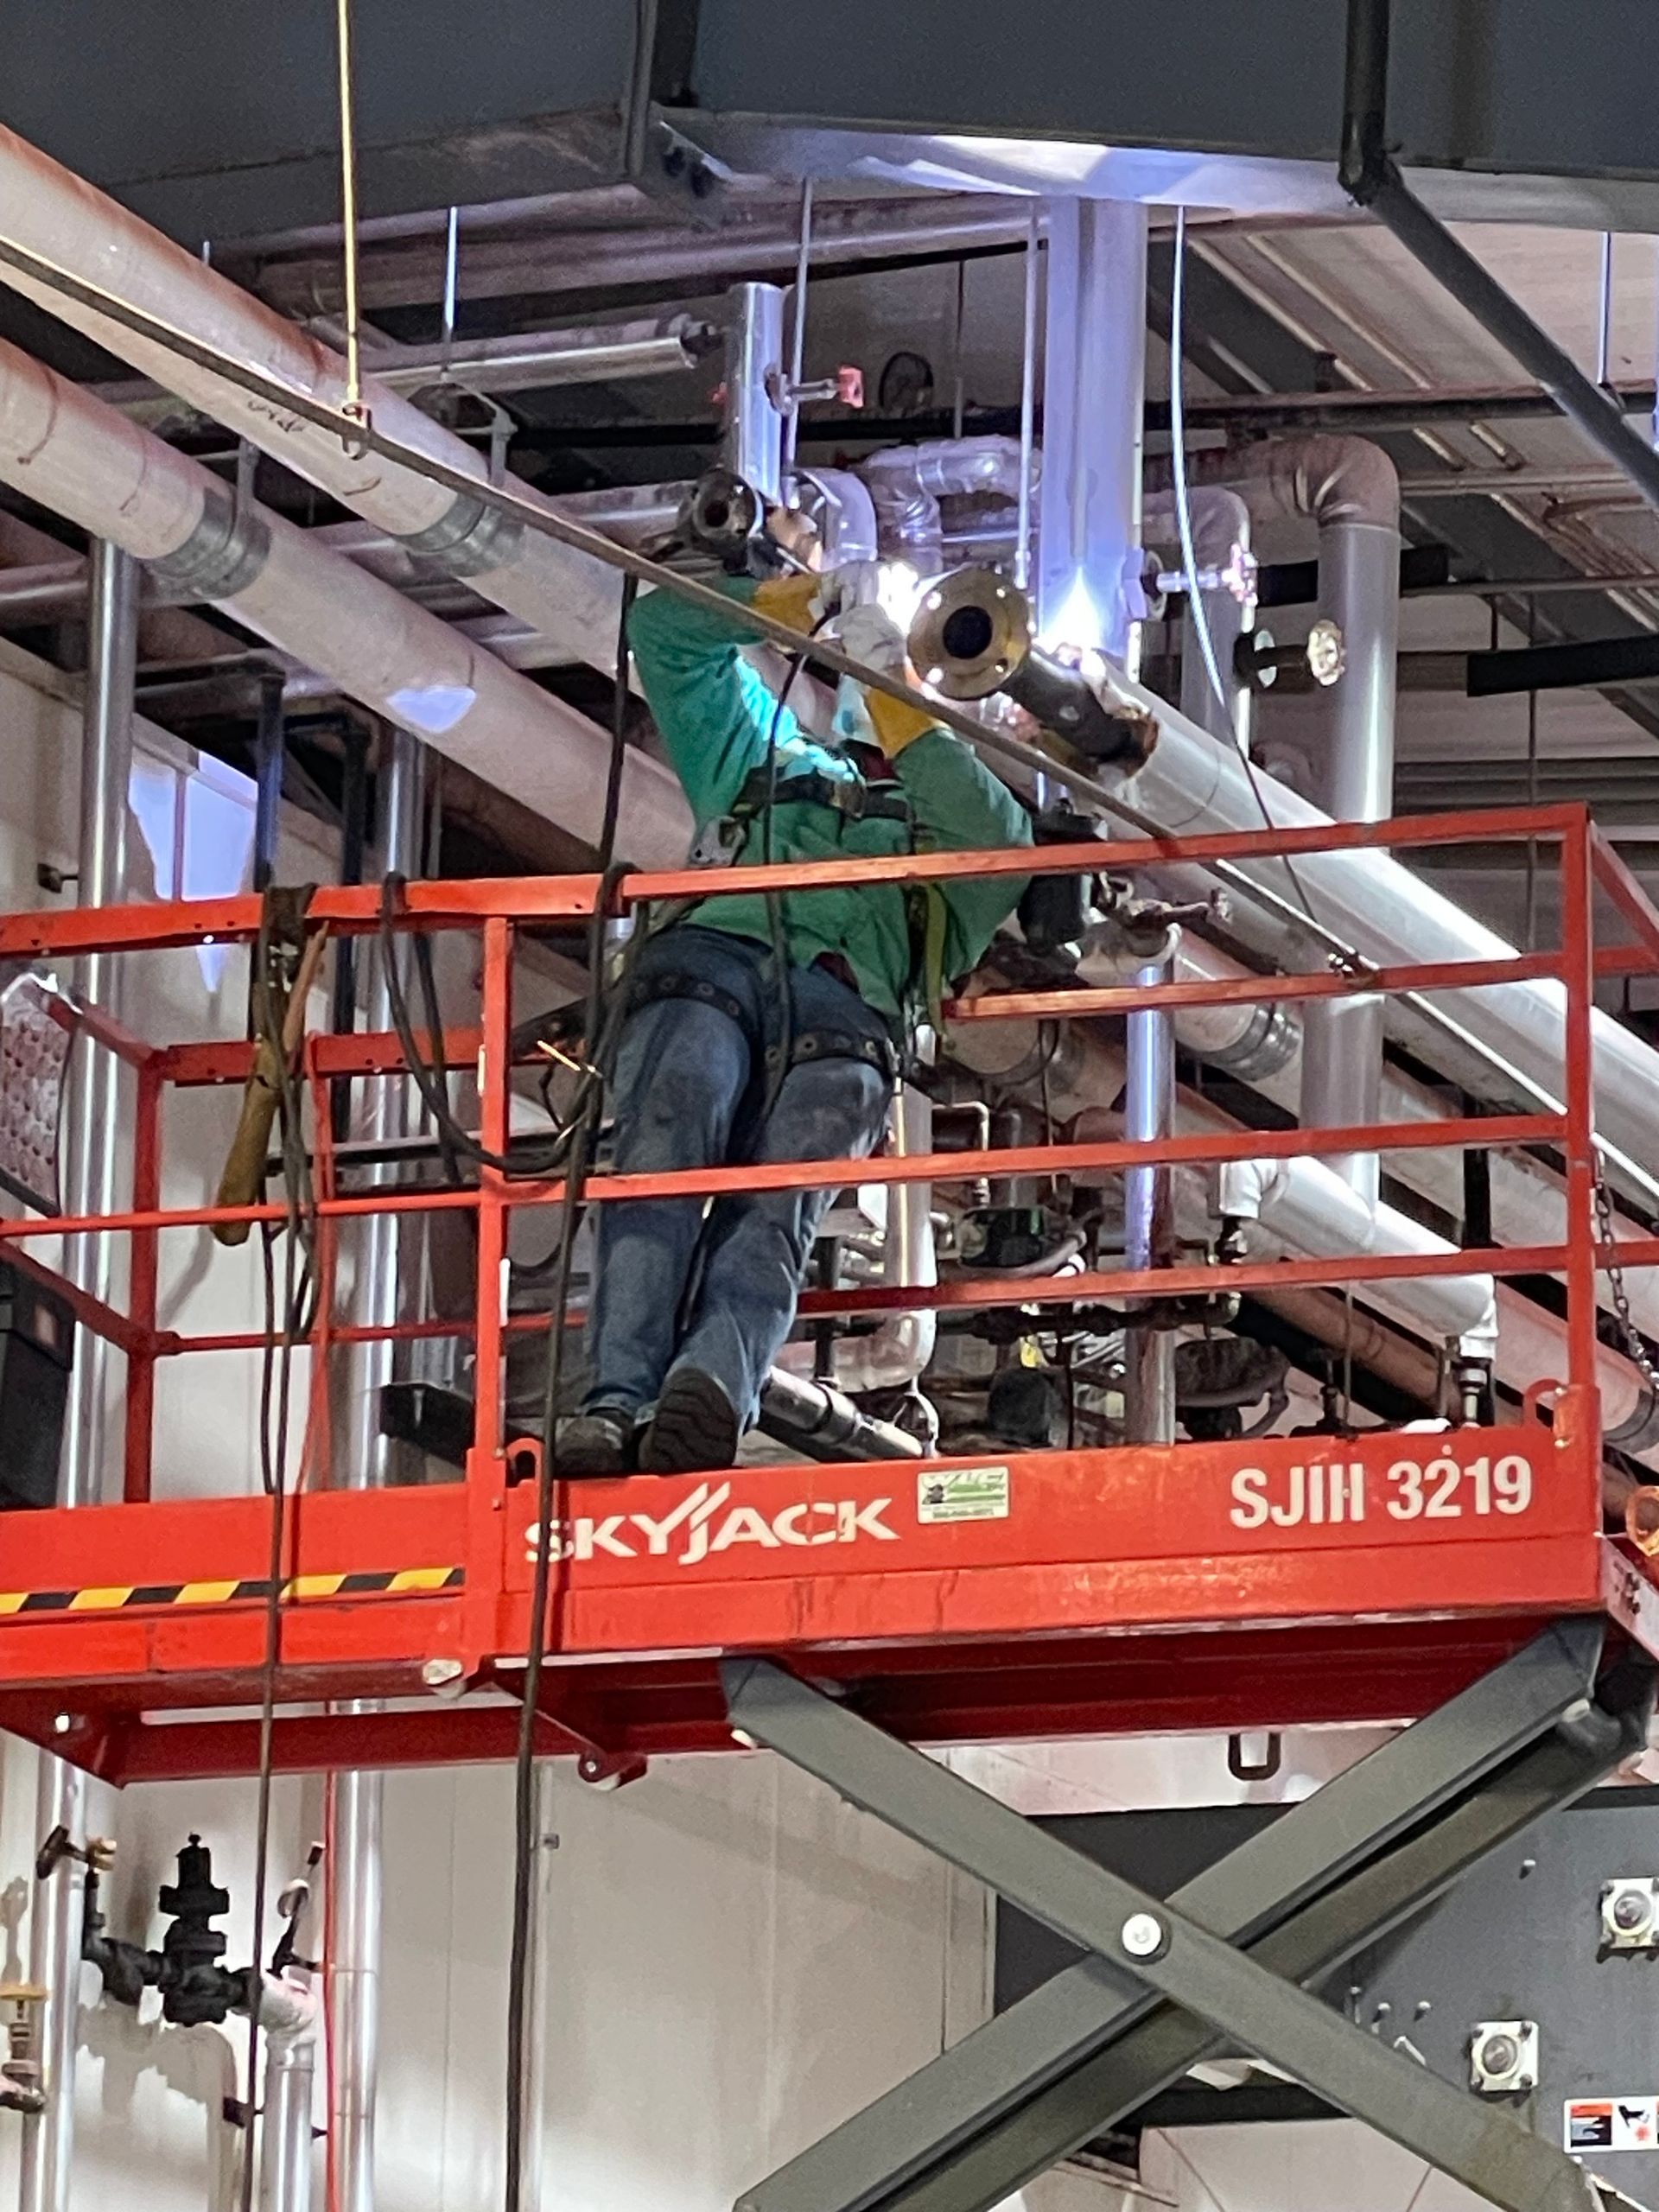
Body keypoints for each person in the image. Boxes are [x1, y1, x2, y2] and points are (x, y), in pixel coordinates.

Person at [557, 539, 1032, 1476]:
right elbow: (665, 630)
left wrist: (893, 684)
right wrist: (799, 599)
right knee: (665, 1139)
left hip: (844, 1015)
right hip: (712, 967)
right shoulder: (760, 756)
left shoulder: (965, 824)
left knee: (778, 1203)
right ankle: (617, 1400)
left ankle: (707, 1388)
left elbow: (996, 833)